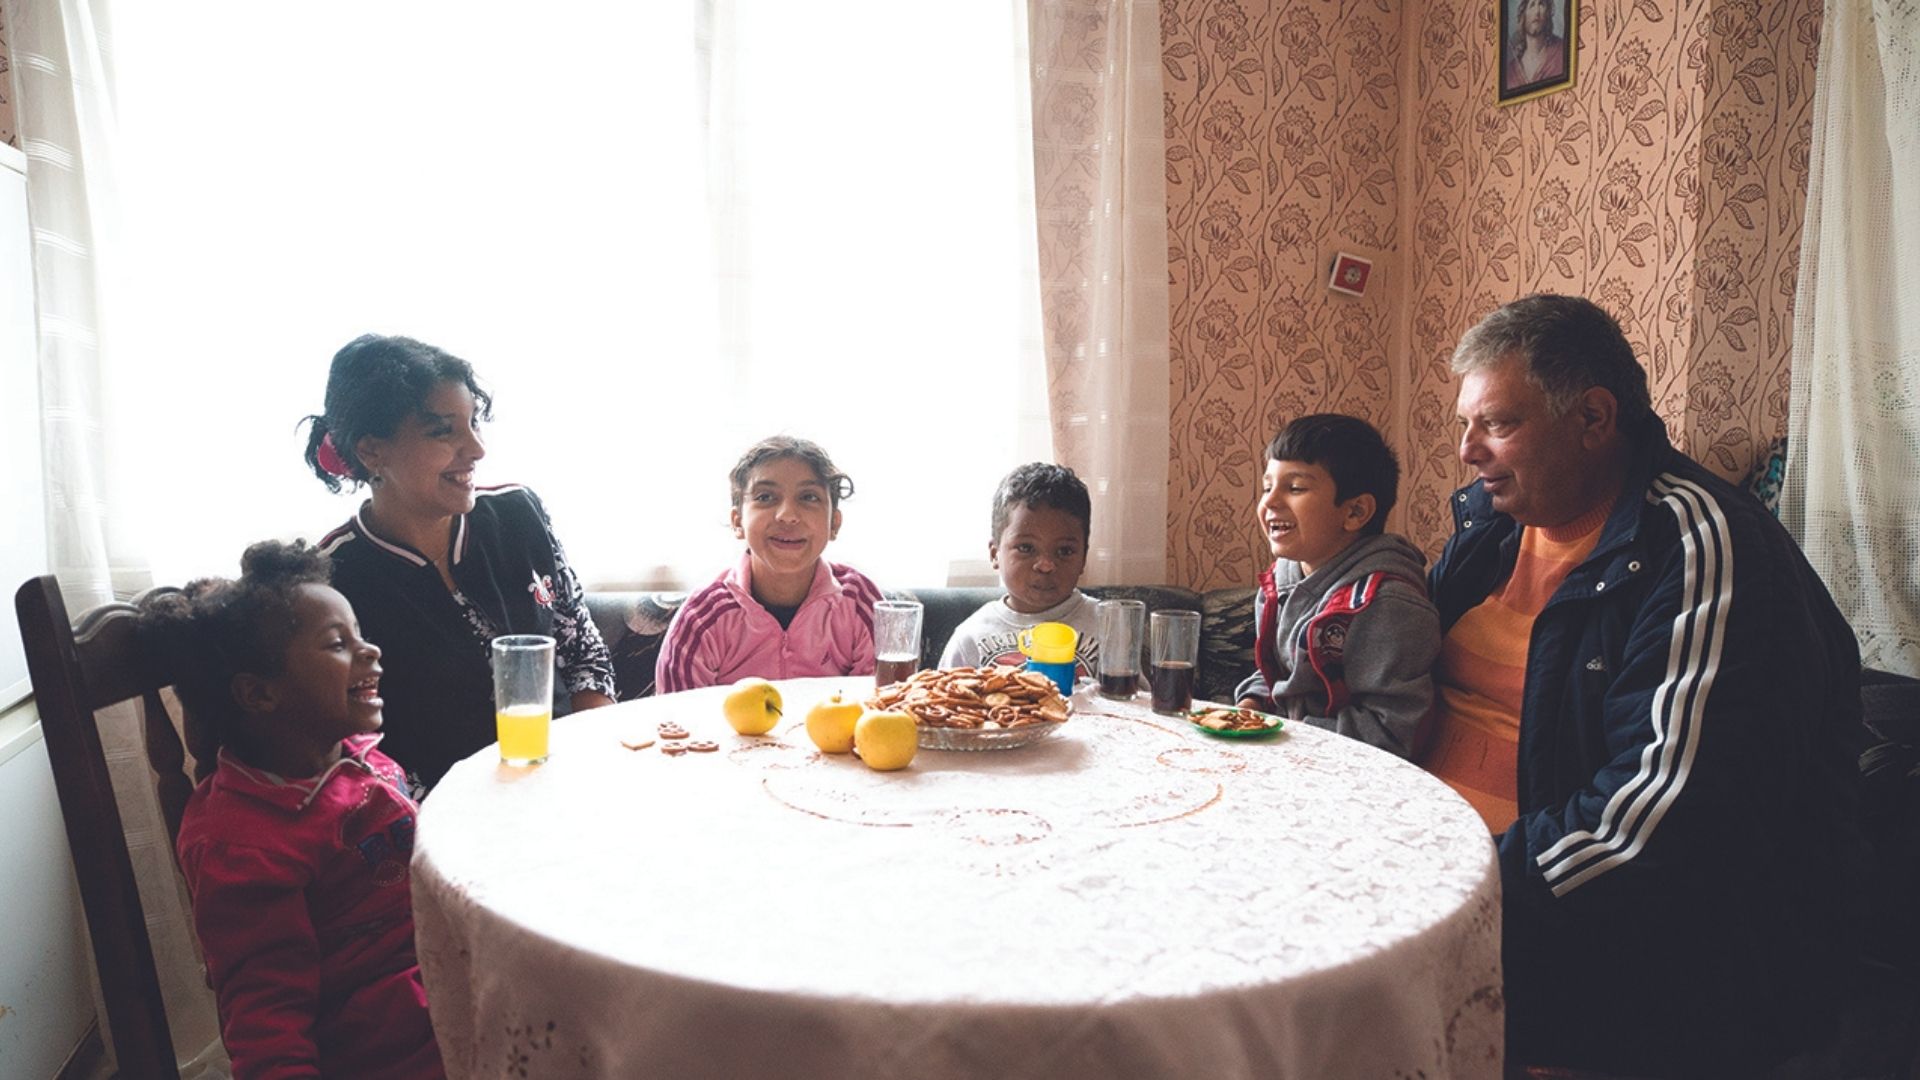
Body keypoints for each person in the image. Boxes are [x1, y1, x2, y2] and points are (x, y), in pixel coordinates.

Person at [1424, 294, 1863, 1074]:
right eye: (1467, 424)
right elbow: (1391, 677)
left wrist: (1441, 892)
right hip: (1449, 899)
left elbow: (1653, 823)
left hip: (1597, 962)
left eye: (1497, 423)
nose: (1467, 452)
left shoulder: (1702, 549)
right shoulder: (1491, 531)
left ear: (1594, 418)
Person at [141, 541, 443, 1079]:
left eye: (359, 634)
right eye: (337, 644)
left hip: (448, 982)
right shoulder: (242, 842)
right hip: (395, 1051)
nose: (370, 650)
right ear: (259, 694)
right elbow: (266, 1020)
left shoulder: (356, 759)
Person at [305, 334, 614, 792]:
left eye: (474, 424)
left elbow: (580, 649)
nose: (476, 449)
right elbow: (352, 744)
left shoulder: (518, 515)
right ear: (372, 451)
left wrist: (602, 762)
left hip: (566, 776)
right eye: (443, 431)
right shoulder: (332, 580)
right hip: (432, 814)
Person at [1230, 415, 1440, 758]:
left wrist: (1282, 733)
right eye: (1268, 486)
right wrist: (1252, 705)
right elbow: (1279, 677)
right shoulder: (1281, 581)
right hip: (1291, 754)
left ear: (1356, 511)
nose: (1269, 502)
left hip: (1351, 776)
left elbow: (1390, 734)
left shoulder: (1386, 603)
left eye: (1295, 488)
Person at [654, 436, 883, 693]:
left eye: (809, 497)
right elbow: (677, 721)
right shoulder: (702, 618)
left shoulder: (860, 604)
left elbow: (884, 711)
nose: (787, 515)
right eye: (765, 497)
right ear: (738, 521)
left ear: (834, 524)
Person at [940, 463, 1100, 677]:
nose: (1046, 565)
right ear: (995, 554)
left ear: (1083, 558)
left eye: (1064, 551)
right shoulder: (971, 636)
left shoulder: (1107, 626)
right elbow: (940, 702)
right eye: (1026, 548)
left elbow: (1136, 705)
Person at [1505, 0, 1566, 88]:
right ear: (1523, 14)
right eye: (1532, 5)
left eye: (1541, 4)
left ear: (1547, 13)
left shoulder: (1561, 50)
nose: (1537, 11)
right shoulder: (1512, 70)